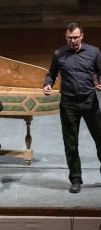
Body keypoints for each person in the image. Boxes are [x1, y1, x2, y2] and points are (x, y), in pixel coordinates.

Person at [43, 22, 101, 193]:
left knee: (100, 139)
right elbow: (51, 74)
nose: (73, 41)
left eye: (76, 37)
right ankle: (75, 179)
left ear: (82, 36)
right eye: (70, 38)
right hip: (69, 104)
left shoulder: (94, 52)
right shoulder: (59, 54)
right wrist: (48, 84)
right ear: (66, 37)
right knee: (71, 144)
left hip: (89, 102)